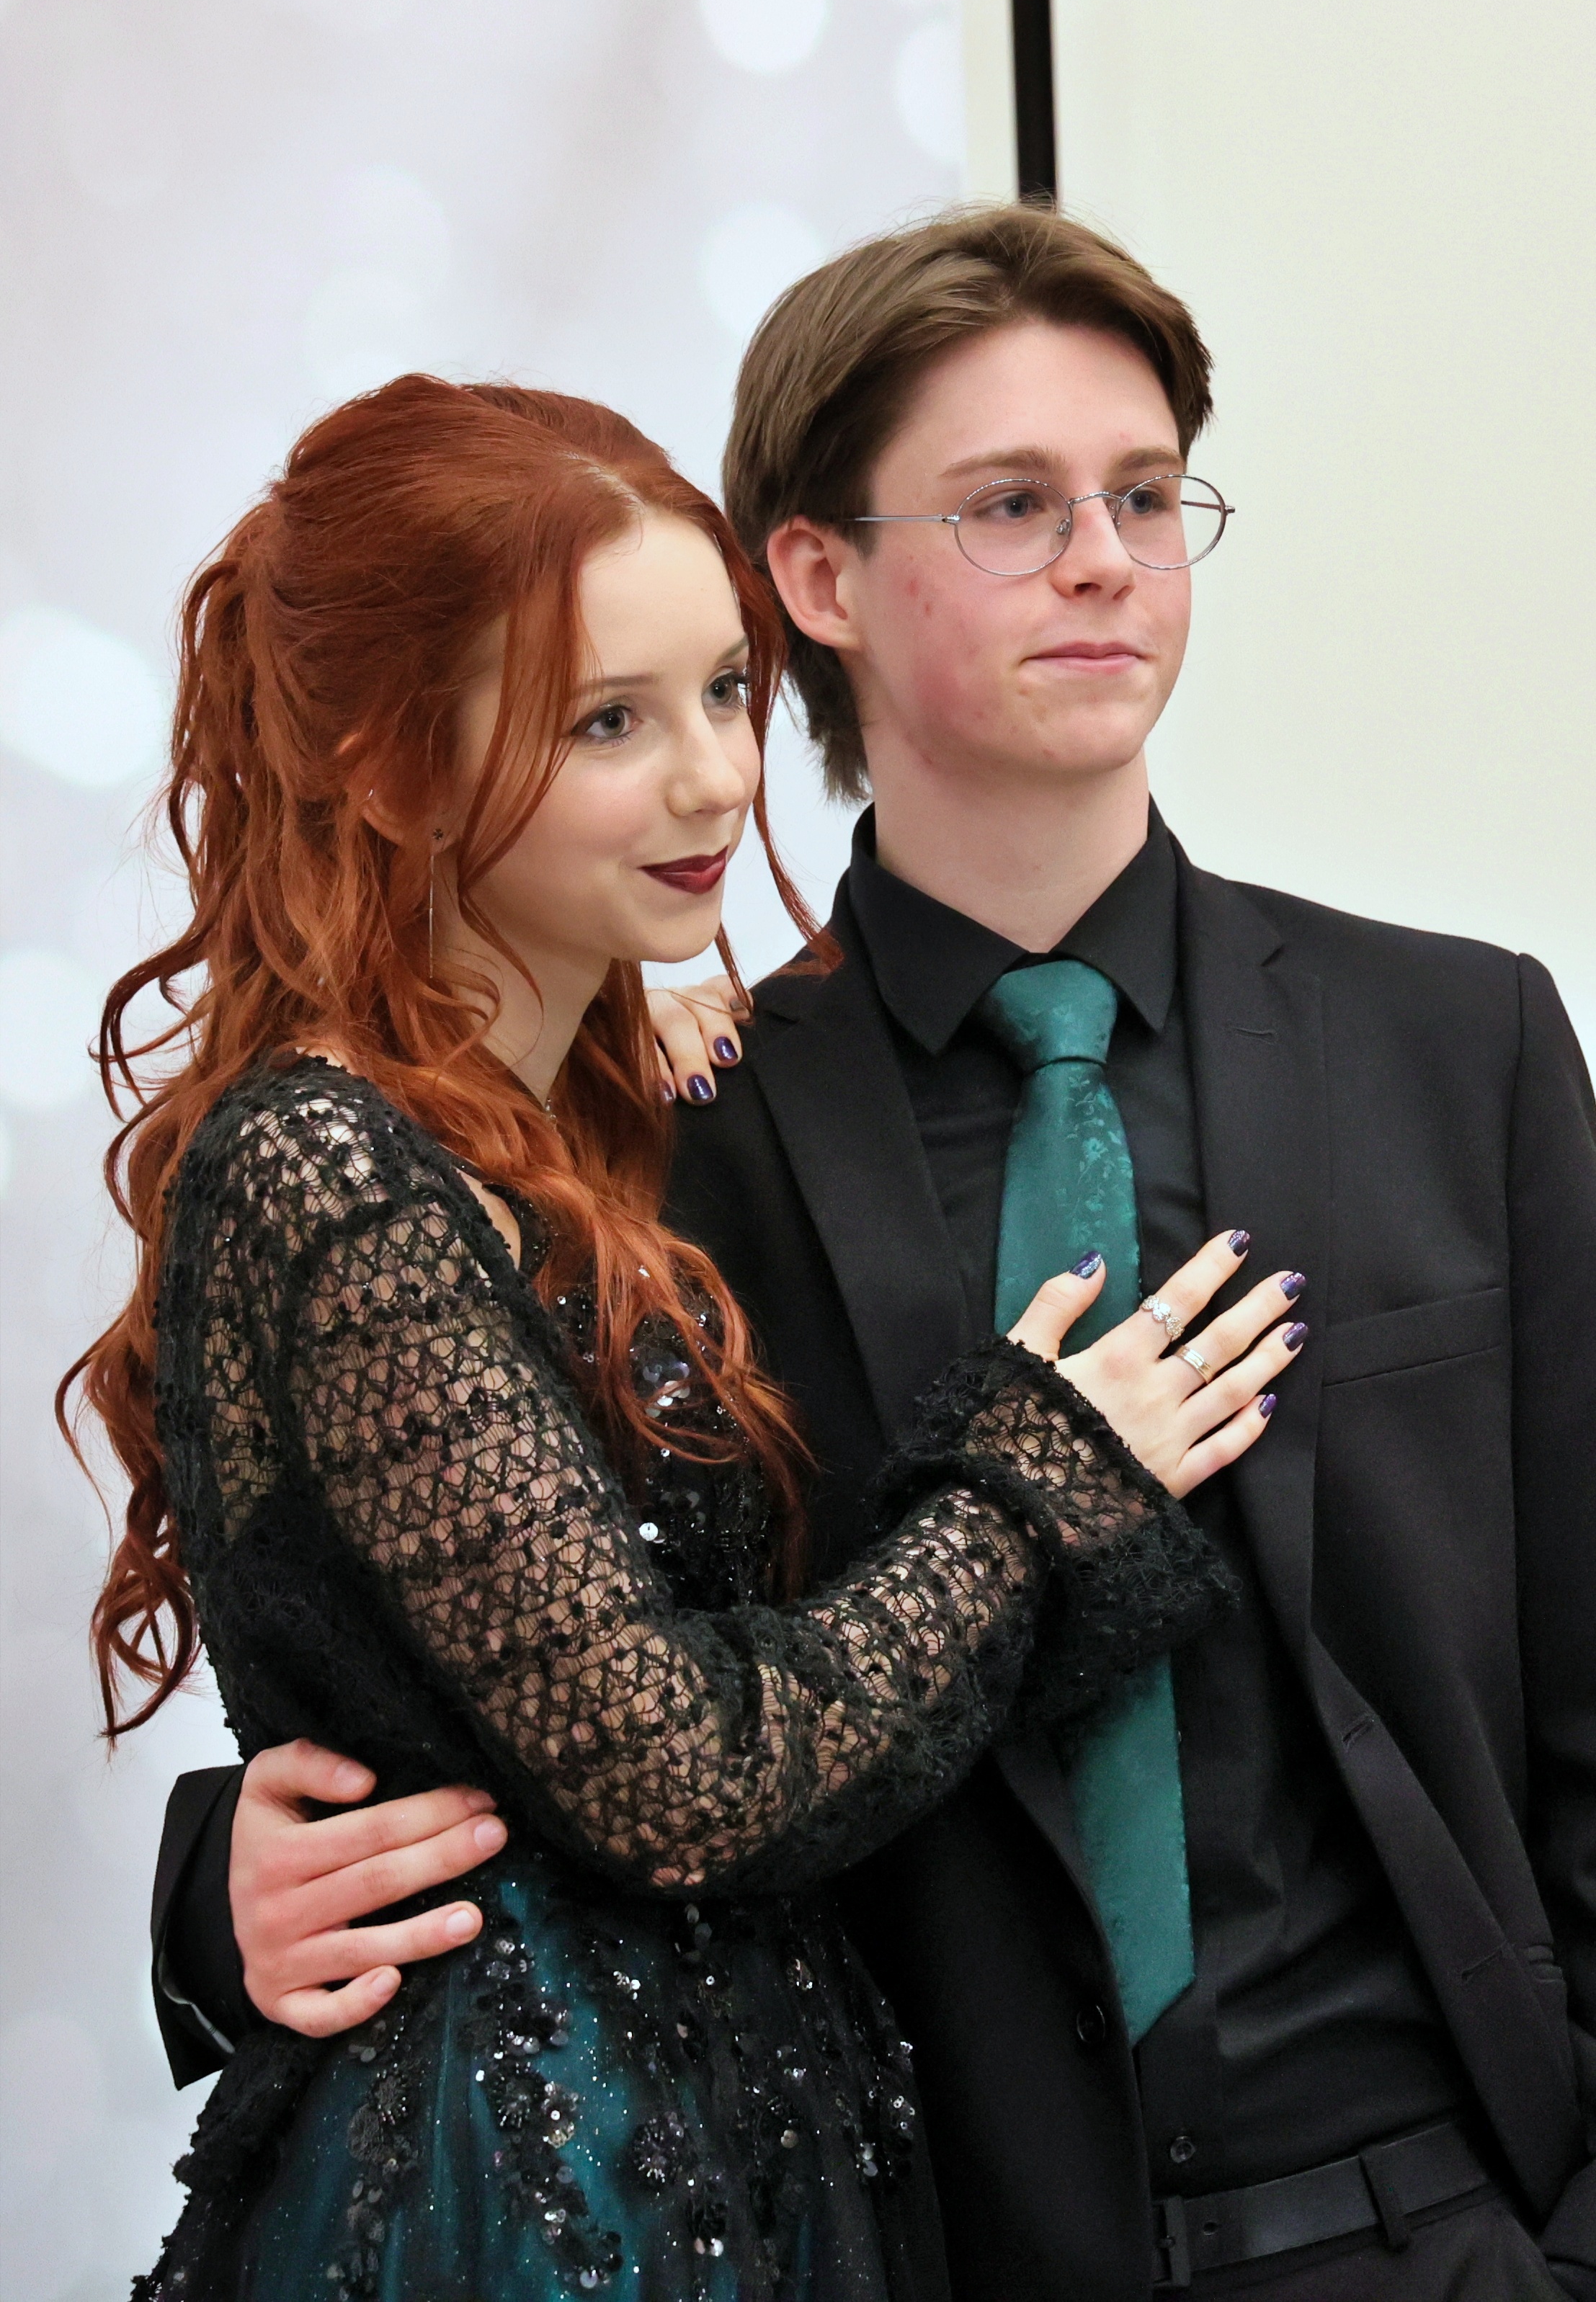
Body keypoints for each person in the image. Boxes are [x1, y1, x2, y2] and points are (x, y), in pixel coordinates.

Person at [146, 209, 1596, 2298]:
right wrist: (222, 1890)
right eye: (1012, 505)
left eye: (1147, 494)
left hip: (1442, 2231)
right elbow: (518, 1662)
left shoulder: (1461, 1045)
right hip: (918, 2243)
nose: (1103, 559)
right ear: (815, 576)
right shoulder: (641, 1142)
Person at [68, 372, 1293, 2301]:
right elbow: (677, 1772)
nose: (720, 779)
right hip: (539, 2215)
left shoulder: (630, 1120)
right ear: (385, 768)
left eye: (725, 693)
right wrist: (1039, 1484)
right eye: (607, 722)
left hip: (767, 2171)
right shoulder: (331, 1165)